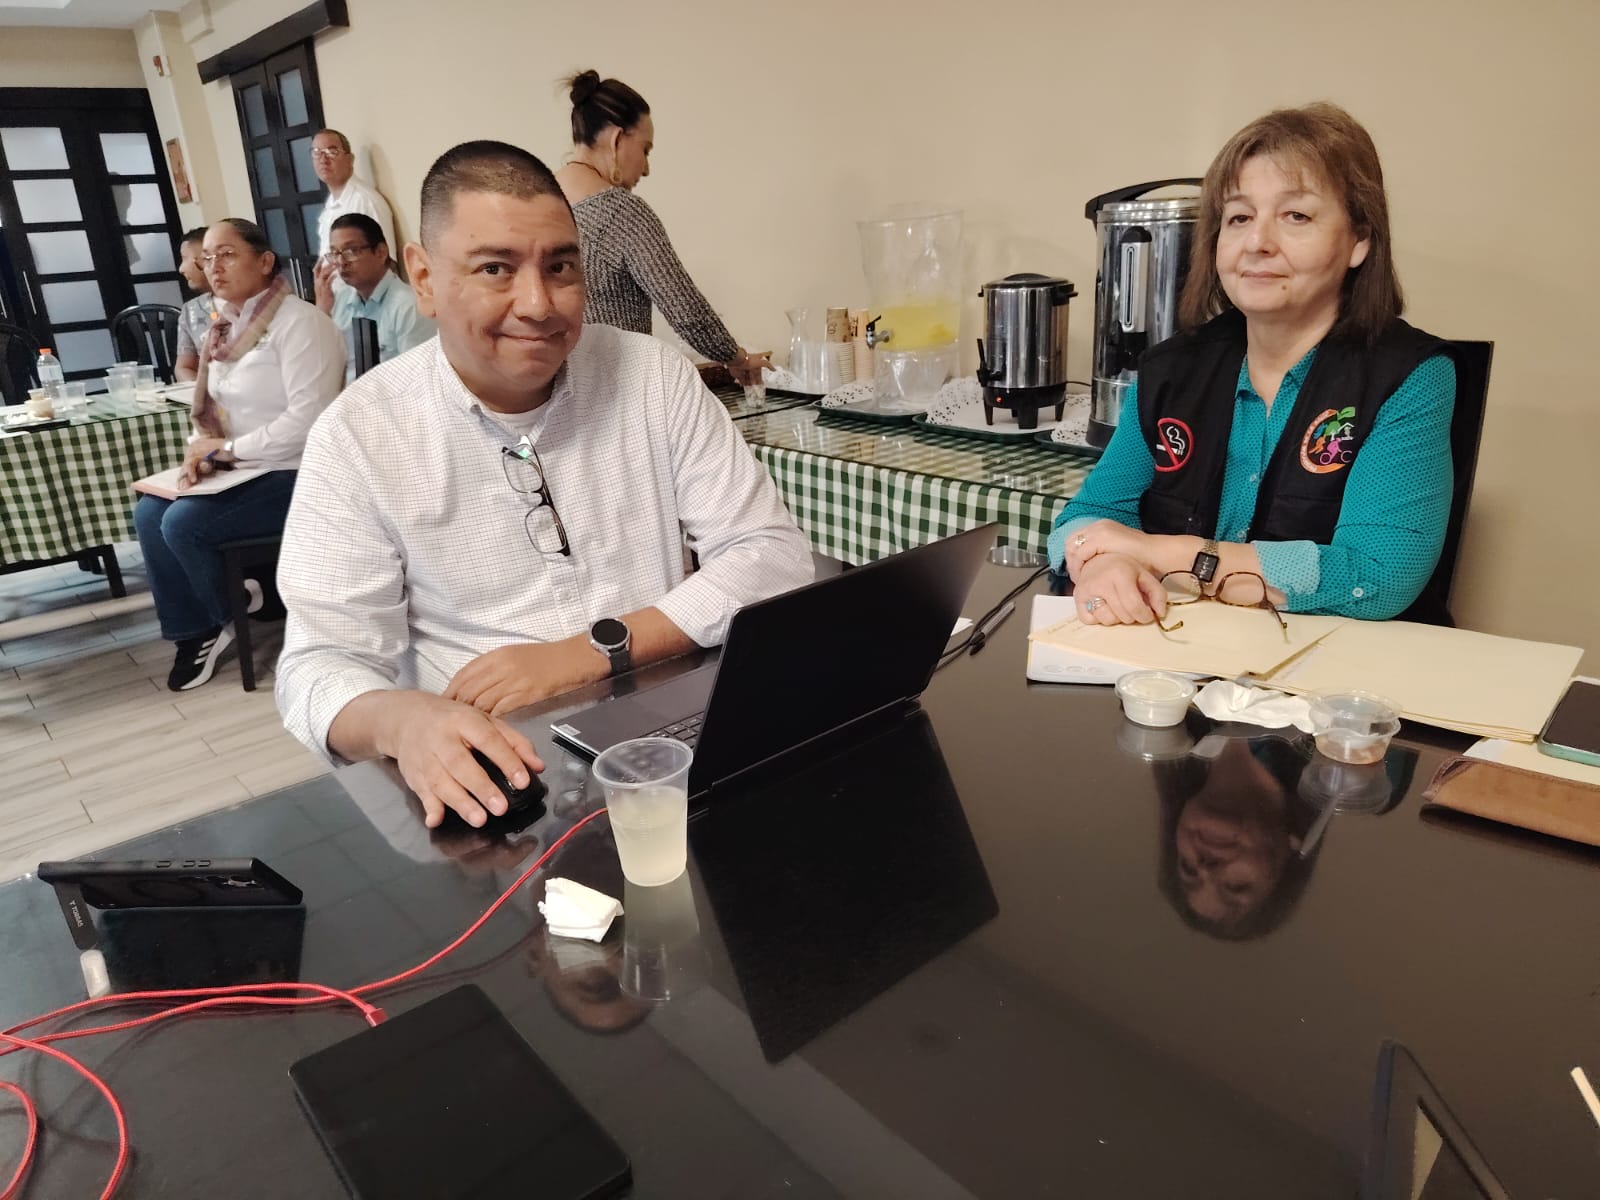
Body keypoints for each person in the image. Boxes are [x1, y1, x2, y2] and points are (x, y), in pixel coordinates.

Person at [274, 140, 813, 830]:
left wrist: (589, 652)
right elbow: (320, 663)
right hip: (499, 778)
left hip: (673, 736)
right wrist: (401, 721)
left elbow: (769, 554)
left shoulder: (653, 377)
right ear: (425, 278)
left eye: (560, 267)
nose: (538, 304)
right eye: (495, 268)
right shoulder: (360, 434)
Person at [1050, 103, 1457, 626]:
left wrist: (1166, 555)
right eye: (1239, 217)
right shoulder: (1171, 369)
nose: (1257, 243)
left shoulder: (1412, 376)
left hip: (1339, 667)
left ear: (1359, 240)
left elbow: (1377, 576)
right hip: (1186, 655)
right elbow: (1086, 520)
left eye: (1296, 216)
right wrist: (1104, 564)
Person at [134, 218, 345, 691]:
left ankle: (229, 610)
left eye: (227, 254)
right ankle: (196, 632)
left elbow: (308, 423)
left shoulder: (302, 323)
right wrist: (201, 454)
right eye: (207, 257)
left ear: (265, 261)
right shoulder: (224, 328)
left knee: (182, 524)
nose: (214, 266)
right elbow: (211, 409)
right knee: (149, 513)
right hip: (243, 468)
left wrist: (227, 450)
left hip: (298, 472)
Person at [554, 70, 768, 386]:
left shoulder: (542, 203)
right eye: (645, 150)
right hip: (617, 393)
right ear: (616, 139)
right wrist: (738, 358)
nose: (646, 168)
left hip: (558, 394)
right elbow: (686, 311)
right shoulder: (620, 212)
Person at [314, 212, 435, 382]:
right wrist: (321, 313)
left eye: (351, 251)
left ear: (380, 252)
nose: (341, 262)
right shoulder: (337, 300)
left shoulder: (409, 306)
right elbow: (322, 368)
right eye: (335, 253)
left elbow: (417, 379)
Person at [310, 128, 396, 299]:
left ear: (350, 159)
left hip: (364, 307)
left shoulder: (364, 201)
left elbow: (387, 264)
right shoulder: (330, 204)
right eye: (317, 153)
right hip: (338, 306)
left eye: (332, 152)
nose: (323, 159)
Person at [173, 227, 215, 382]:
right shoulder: (190, 310)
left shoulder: (246, 304)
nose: (181, 269)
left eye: (185, 258)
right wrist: (202, 392)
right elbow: (184, 367)